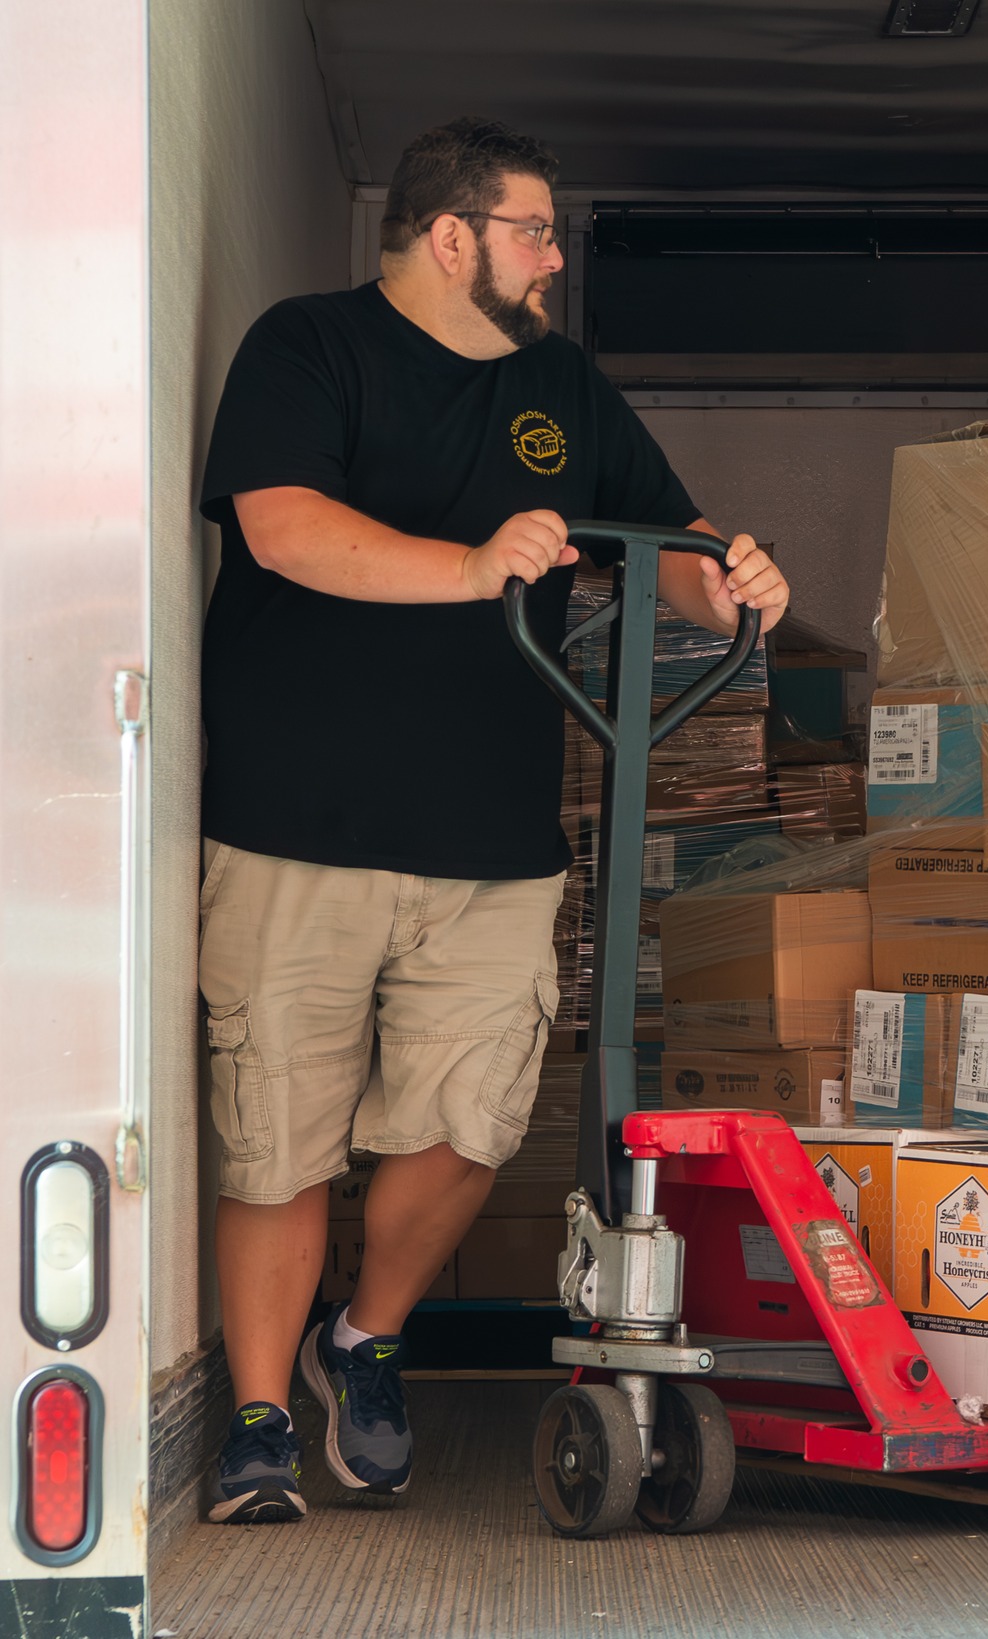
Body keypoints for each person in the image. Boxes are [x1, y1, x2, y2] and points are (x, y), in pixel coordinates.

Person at [196, 116, 788, 1524]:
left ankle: (368, 1341)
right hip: (299, 827)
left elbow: (673, 548)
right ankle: (263, 1425)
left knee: (467, 1131)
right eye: (534, 230)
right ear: (450, 236)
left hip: (495, 838)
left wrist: (734, 579)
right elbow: (282, 528)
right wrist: (471, 566)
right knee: (278, 1140)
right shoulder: (309, 346)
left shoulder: (564, 390)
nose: (553, 259)